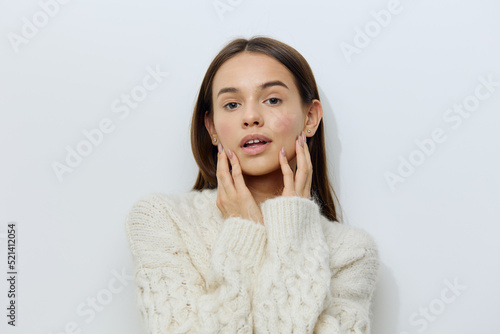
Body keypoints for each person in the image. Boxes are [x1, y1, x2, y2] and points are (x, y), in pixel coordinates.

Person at [125, 36, 380, 333]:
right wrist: (242, 229)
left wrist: (292, 229)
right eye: (232, 104)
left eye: (272, 99)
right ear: (211, 128)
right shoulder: (162, 220)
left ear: (310, 117)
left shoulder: (352, 253)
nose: (250, 117)